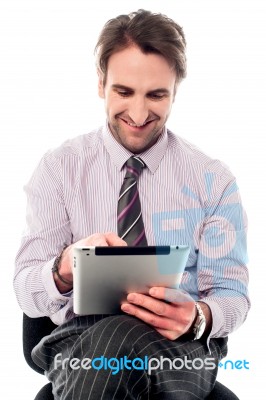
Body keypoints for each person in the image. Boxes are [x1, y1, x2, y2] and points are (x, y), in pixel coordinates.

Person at [14, 9, 250, 399]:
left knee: (117, 342)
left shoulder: (213, 181)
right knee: (108, 341)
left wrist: (199, 316)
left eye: (156, 95)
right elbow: (26, 291)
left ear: (176, 90)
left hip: (178, 348)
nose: (139, 114)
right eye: (124, 92)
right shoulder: (59, 169)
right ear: (101, 84)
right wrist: (62, 269)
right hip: (80, 343)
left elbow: (232, 295)